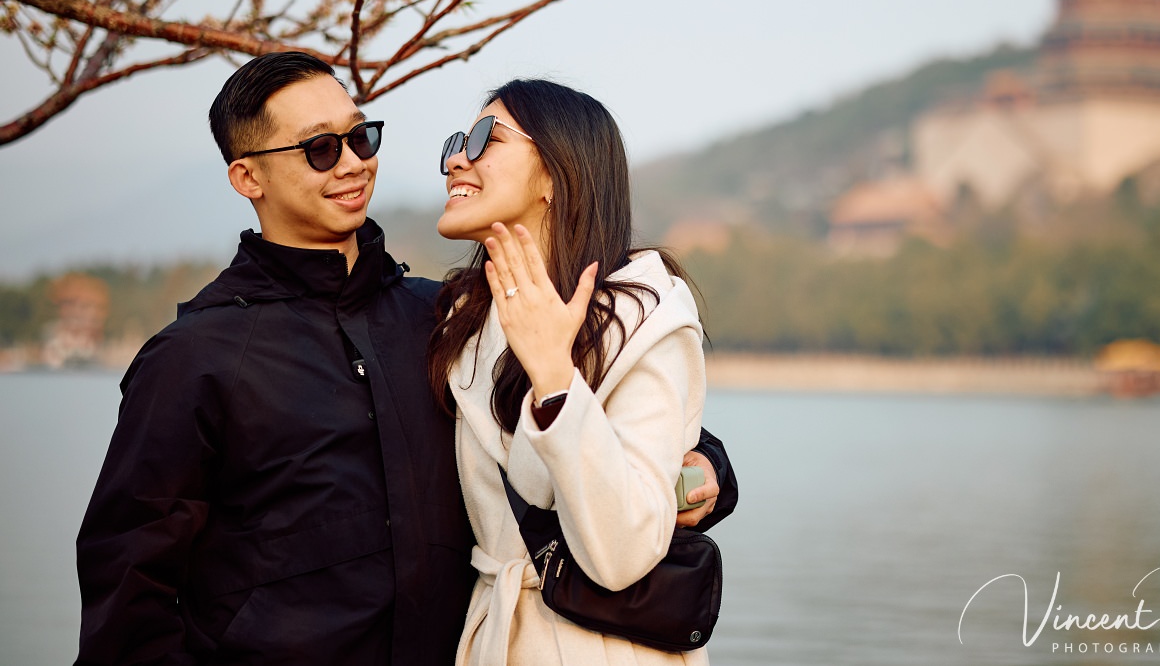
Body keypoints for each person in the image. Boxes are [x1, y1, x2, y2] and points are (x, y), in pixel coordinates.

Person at [75, 52, 734, 666]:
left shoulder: (438, 318)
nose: (352, 164)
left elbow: (623, 419)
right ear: (249, 176)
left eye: (361, 139)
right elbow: (129, 577)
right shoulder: (196, 357)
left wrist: (710, 469)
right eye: (320, 149)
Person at [428, 78, 727, 665]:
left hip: (599, 647)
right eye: (458, 139)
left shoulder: (641, 318)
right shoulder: (458, 319)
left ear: (556, 175)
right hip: (494, 634)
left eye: (488, 136)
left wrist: (553, 377)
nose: (458, 157)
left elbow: (623, 553)